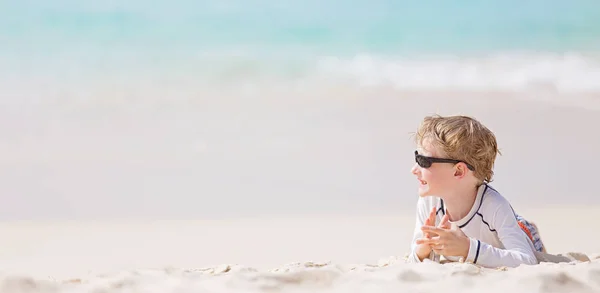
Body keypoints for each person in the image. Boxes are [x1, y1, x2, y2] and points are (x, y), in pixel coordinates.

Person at [406, 115, 545, 268]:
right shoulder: (429, 202)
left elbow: (527, 260)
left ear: (459, 171)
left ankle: (528, 228)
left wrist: (468, 248)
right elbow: (414, 259)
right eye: (416, 157)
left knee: (526, 235)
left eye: (423, 162)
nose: (414, 170)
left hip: (518, 231)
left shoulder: (494, 206)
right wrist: (423, 250)